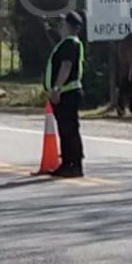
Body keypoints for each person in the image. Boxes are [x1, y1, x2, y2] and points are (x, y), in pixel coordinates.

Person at [46, 10, 86, 177]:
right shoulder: (68, 42)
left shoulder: (70, 43)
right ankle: (68, 162)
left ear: (69, 26)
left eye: (63, 24)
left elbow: (66, 66)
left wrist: (57, 89)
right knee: (66, 129)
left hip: (67, 92)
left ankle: (73, 164)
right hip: (67, 92)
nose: (60, 27)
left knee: (68, 129)